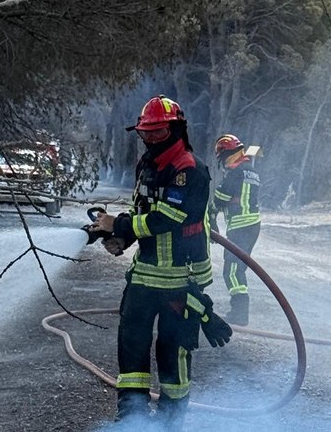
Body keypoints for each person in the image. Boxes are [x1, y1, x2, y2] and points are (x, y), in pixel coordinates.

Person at [91, 95, 231, 429]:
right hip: (143, 276)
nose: (152, 139)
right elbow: (142, 211)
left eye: (159, 132)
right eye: (146, 132)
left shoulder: (190, 169)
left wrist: (119, 224)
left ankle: (170, 422)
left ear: (176, 129)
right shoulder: (147, 164)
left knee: (173, 354)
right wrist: (124, 239)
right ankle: (133, 419)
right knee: (132, 348)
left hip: (180, 279)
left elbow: (168, 218)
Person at [210, 133, 261, 326]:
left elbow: (220, 197)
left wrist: (211, 214)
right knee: (239, 268)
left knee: (232, 270)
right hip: (252, 225)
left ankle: (240, 313)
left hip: (240, 226)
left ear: (225, 155)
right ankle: (240, 311)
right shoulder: (251, 171)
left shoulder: (235, 172)